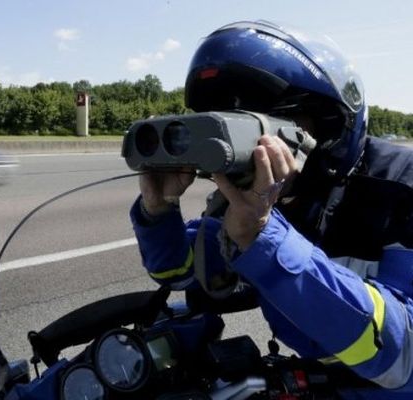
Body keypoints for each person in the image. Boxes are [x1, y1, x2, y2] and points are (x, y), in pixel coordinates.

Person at [130, 20, 413, 398]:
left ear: (327, 127)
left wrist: (264, 238)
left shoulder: (401, 187)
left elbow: (401, 355)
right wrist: (159, 211)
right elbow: (179, 270)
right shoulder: (254, 203)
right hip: (318, 382)